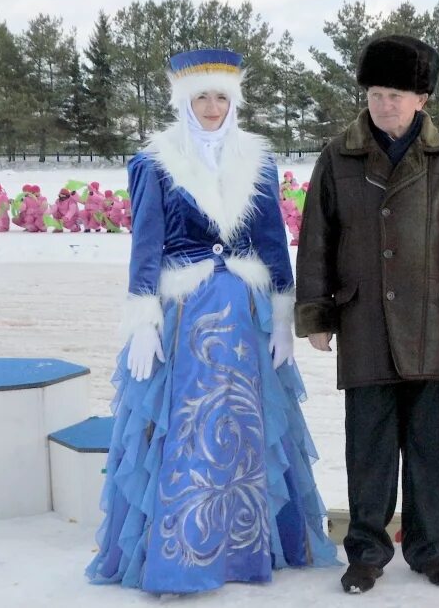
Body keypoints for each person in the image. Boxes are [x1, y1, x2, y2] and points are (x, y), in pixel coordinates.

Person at [85, 48, 336, 594]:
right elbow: (146, 243)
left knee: (246, 429)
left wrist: (282, 315)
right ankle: (183, 555)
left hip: (244, 317)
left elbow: (273, 240)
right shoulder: (155, 160)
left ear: (234, 100)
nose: (213, 106)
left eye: (222, 96)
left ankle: (245, 549)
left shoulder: (257, 159)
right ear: (184, 100)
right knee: (186, 429)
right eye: (202, 96)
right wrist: (144, 317)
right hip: (184, 317)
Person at [295, 35, 439, 594]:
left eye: (396, 94)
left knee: (428, 444)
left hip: (435, 318)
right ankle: (365, 551)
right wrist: (317, 313)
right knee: (367, 445)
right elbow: (316, 238)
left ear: (422, 99)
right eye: (375, 93)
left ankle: (429, 548)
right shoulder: (338, 156)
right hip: (364, 318)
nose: (384, 104)